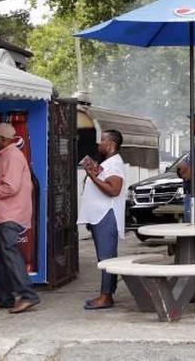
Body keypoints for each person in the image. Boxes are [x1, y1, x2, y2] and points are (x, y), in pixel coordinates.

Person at [0, 122, 40, 314]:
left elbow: (10, 187)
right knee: (0, 257)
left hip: (10, 214)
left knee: (9, 254)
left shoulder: (12, 157)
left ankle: (28, 295)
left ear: (4, 139)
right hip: (3, 213)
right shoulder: (6, 155)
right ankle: (4, 297)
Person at [78, 129, 127, 310]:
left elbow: (114, 190)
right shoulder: (108, 162)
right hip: (100, 215)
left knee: (106, 257)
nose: (99, 144)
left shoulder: (114, 163)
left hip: (107, 214)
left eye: (102, 140)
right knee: (105, 256)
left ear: (111, 144)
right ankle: (108, 293)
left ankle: (105, 296)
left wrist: (92, 176)